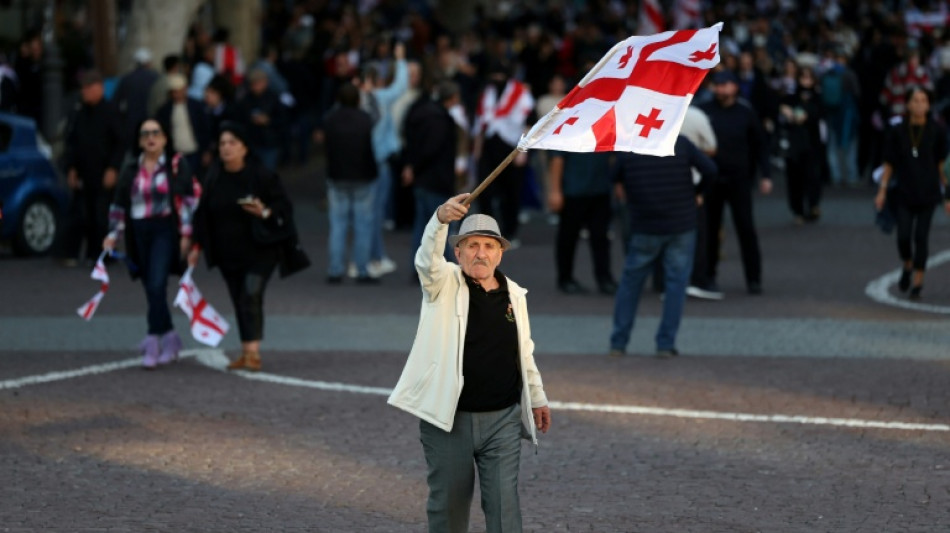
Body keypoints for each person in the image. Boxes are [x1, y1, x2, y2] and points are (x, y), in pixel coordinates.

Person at [388, 194, 551, 533]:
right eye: (472, 245)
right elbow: (425, 260)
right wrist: (439, 219)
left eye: (489, 246)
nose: (481, 253)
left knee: (506, 509)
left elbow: (524, 351)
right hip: (448, 421)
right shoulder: (442, 283)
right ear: (457, 252)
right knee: (448, 509)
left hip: (503, 420)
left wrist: (536, 396)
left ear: (500, 252)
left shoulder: (515, 295)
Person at [189, 122, 291, 371]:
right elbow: (203, 214)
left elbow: (284, 209)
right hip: (227, 252)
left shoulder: (261, 175)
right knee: (238, 298)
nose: (226, 148)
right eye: (222, 143)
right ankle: (246, 351)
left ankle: (253, 353)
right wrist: (196, 245)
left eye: (232, 143)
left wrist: (263, 211)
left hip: (261, 250)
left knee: (250, 293)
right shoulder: (213, 176)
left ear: (245, 148)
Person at [609, 136, 717, 359]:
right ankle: (665, 344)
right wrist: (697, 192)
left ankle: (618, 343)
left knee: (630, 284)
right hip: (681, 222)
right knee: (676, 285)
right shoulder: (681, 143)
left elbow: (613, 176)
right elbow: (711, 170)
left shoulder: (630, 146)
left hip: (644, 224)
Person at [103, 119, 198, 369]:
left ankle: (153, 339)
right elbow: (119, 203)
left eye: (156, 132)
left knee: (157, 283)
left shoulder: (176, 165)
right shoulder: (131, 167)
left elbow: (187, 200)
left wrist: (187, 235)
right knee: (149, 286)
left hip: (164, 229)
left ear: (165, 138)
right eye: (145, 133)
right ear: (139, 140)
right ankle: (169, 335)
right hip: (138, 231)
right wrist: (113, 233)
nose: (150, 138)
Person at [700, 70, 772, 295]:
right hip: (712, 179)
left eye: (726, 85)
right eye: (718, 86)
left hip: (739, 180)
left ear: (735, 87)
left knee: (746, 229)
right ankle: (708, 276)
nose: (721, 90)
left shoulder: (745, 112)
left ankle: (754, 278)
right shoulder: (704, 112)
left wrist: (766, 175)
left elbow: (760, 145)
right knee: (710, 231)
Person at [874, 87, 950, 299]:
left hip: (928, 193)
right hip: (904, 191)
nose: (919, 105)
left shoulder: (937, 130)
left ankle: (918, 281)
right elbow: (889, 163)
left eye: (923, 100)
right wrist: (882, 190)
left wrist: (948, 195)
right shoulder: (898, 131)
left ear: (929, 104)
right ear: (907, 104)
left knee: (921, 237)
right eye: (915, 100)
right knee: (903, 236)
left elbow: (942, 166)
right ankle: (908, 263)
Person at [62, 70, 125, 266]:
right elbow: (72, 142)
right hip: (84, 171)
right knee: (83, 214)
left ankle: (105, 254)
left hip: (103, 170)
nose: (84, 93)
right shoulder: (79, 112)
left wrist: (113, 168)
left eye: (88, 88)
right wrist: (71, 167)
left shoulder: (111, 111)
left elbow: (120, 142)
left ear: (98, 88)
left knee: (102, 215)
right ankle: (86, 253)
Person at [472, 59, 534, 247]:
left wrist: (524, 151)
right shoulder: (487, 93)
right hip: (490, 146)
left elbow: (528, 122)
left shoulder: (521, 94)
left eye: (500, 75)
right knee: (484, 189)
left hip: (512, 147)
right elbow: (481, 123)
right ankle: (487, 230)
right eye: (494, 75)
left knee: (511, 192)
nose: (497, 78)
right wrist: (477, 148)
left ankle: (509, 232)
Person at [359, 42, 408, 279]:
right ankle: (372, 258)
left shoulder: (352, 99)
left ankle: (364, 258)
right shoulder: (381, 97)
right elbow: (401, 86)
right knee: (375, 213)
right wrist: (400, 59)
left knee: (360, 215)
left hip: (357, 165)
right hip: (378, 163)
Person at [321, 83, 378, 284]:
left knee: (338, 224)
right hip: (362, 175)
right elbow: (369, 147)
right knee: (363, 225)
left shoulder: (330, 119)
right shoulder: (364, 119)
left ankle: (335, 269)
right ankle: (361, 269)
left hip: (337, 176)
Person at [402, 80, 463, 268]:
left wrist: (411, 167)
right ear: (452, 98)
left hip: (422, 179)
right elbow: (431, 149)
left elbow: (412, 142)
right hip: (436, 180)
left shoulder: (421, 113)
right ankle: (445, 266)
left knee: (422, 227)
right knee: (440, 227)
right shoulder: (441, 120)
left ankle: (418, 265)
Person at [546, 151, 616, 295]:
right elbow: (557, 159)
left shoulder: (605, 128)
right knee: (568, 237)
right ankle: (565, 278)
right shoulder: (568, 128)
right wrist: (555, 191)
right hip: (573, 192)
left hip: (600, 190)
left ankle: (604, 278)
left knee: (601, 237)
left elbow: (612, 156)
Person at [777, 67, 823, 224]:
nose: (806, 81)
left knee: (813, 176)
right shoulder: (791, 97)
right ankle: (798, 210)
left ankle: (813, 205)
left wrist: (797, 114)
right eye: (803, 77)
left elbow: (814, 115)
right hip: (794, 144)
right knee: (795, 178)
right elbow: (782, 110)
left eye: (809, 78)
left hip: (811, 143)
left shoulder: (817, 97)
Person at [155, 73, 212, 178]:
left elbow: (205, 128)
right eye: (174, 92)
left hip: (195, 152)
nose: (176, 94)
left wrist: (206, 150)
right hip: (175, 153)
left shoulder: (196, 106)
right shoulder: (165, 110)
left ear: (185, 89)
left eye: (179, 90)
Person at [233, 68, 287, 171]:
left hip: (269, 143)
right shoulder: (245, 100)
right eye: (253, 84)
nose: (255, 87)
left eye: (258, 83)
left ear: (265, 83)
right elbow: (240, 120)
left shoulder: (274, 98)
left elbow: (283, 120)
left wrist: (268, 120)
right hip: (252, 143)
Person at [112, 47, 159, 140]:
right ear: (148, 62)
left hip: (132, 124)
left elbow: (116, 103)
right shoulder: (156, 78)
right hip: (153, 121)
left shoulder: (126, 79)